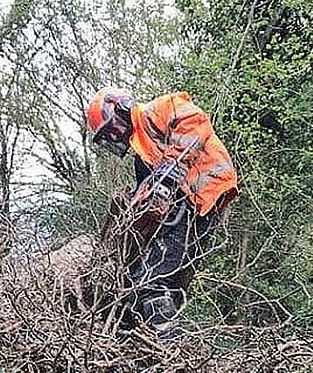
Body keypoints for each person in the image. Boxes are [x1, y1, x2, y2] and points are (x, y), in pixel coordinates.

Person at [84, 87, 238, 338]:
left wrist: (170, 169)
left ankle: (173, 347)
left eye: (112, 129)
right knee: (156, 285)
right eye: (108, 135)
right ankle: (150, 341)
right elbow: (146, 199)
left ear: (120, 108)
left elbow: (195, 121)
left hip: (197, 195)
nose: (114, 136)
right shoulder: (142, 153)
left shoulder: (157, 109)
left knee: (149, 282)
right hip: (194, 205)